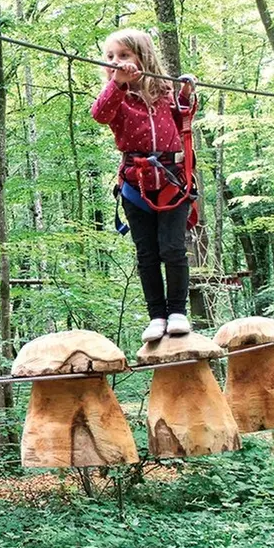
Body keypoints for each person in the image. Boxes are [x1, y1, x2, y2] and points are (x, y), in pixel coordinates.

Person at [90, 29, 196, 343]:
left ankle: (177, 311)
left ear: (142, 57)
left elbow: (183, 116)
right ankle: (157, 316)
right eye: (110, 57)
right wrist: (118, 83)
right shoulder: (116, 97)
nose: (116, 62)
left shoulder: (164, 92)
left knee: (173, 248)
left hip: (172, 180)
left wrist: (188, 93)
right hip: (135, 184)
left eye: (124, 55)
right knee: (147, 253)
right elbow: (100, 114)